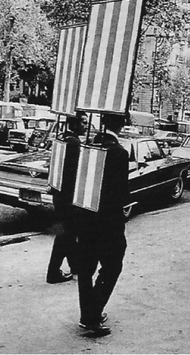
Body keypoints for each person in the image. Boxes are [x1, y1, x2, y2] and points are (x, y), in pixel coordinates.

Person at [76, 113, 129, 336]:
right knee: (112, 266)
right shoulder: (119, 153)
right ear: (122, 124)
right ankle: (92, 316)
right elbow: (120, 194)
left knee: (86, 270)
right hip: (109, 224)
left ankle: (87, 314)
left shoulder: (88, 145)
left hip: (85, 219)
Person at [46, 112, 88, 284]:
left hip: (59, 194)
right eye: (84, 122)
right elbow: (74, 173)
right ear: (75, 123)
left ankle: (75, 266)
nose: (86, 125)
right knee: (66, 234)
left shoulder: (62, 138)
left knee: (70, 232)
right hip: (69, 196)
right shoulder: (74, 143)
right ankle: (53, 272)